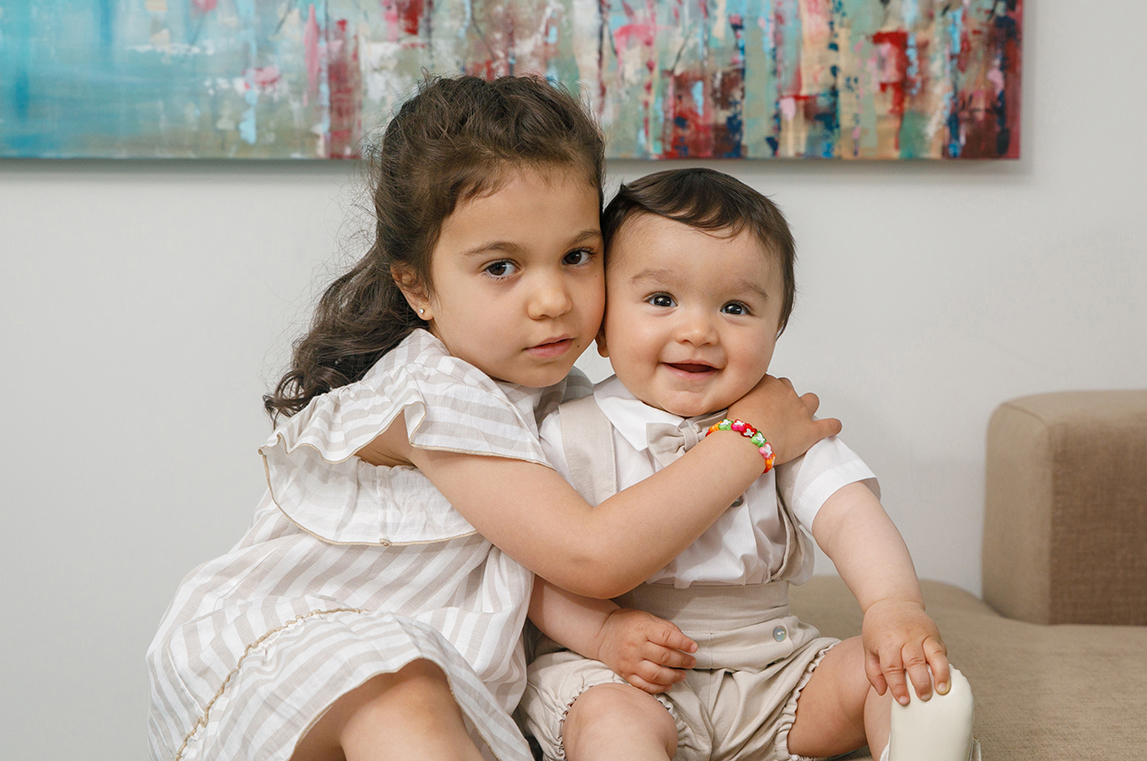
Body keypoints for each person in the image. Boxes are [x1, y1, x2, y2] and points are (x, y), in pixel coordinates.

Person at [146, 78, 840, 761]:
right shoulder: (435, 392)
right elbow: (591, 555)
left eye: (576, 256)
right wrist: (751, 435)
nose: (551, 299)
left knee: (425, 692)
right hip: (301, 649)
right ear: (417, 285)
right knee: (402, 688)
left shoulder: (558, 394)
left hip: (439, 672)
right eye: (502, 266)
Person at [519, 168, 979, 761]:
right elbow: (533, 571)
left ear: (777, 328)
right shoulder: (569, 431)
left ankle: (920, 741)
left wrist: (893, 607)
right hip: (623, 671)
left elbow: (850, 516)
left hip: (776, 668)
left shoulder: (784, 428)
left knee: (892, 680)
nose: (697, 330)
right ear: (602, 327)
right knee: (611, 724)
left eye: (735, 307)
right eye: (661, 300)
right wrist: (601, 633)